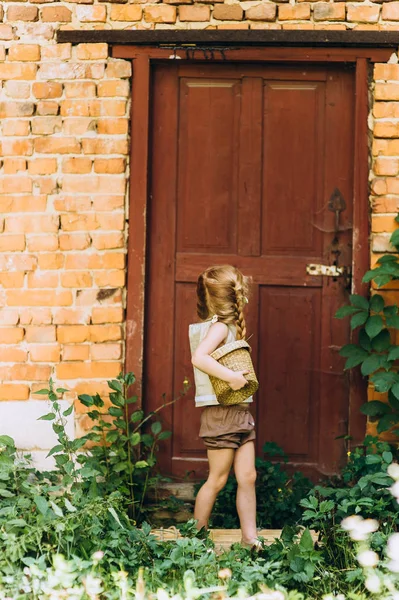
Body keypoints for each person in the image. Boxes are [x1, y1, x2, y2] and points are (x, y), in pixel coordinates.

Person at [189, 265, 259, 549]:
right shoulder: (219, 328)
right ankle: (196, 540)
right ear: (232, 297)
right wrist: (231, 377)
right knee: (217, 479)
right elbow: (199, 358)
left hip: (241, 414)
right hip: (222, 415)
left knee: (248, 476)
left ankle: (249, 539)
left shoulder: (229, 328)